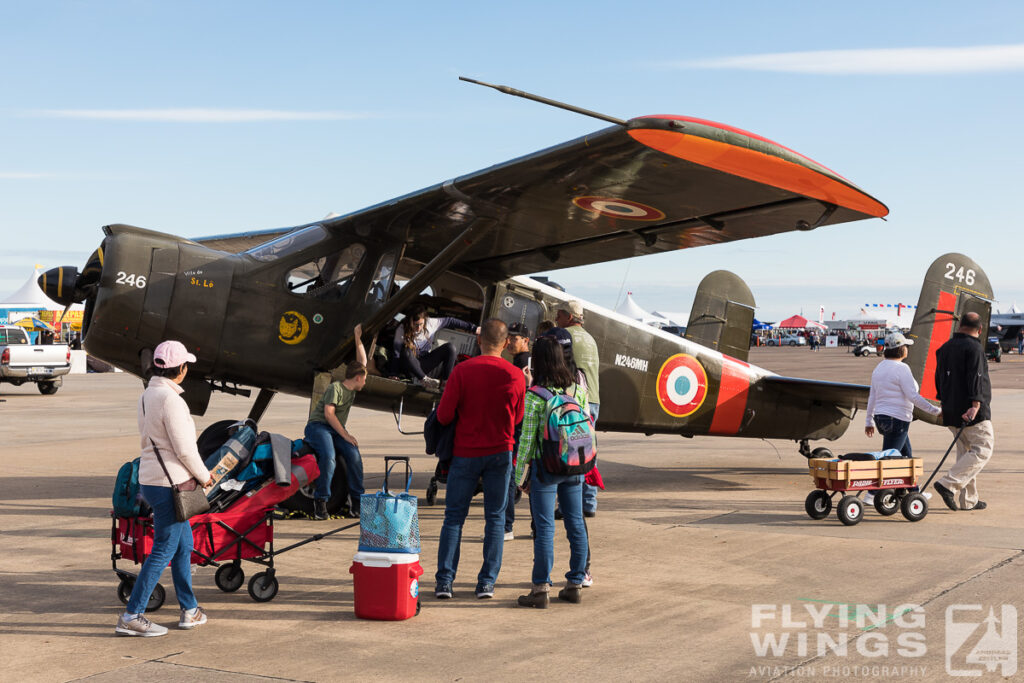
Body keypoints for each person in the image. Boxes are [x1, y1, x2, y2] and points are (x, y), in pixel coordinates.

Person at [115, 340, 213, 637]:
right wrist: (204, 475)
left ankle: (190, 609)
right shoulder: (172, 401)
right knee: (164, 549)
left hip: (151, 479)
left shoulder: (148, 394)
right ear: (181, 369)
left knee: (184, 545)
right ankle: (132, 615)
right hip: (171, 483)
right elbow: (184, 449)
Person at [434, 319, 525, 600]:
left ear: (479, 341)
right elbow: (518, 417)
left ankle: (445, 582)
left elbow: (444, 415)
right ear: (507, 343)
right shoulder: (516, 375)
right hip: (500, 452)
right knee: (495, 519)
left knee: (453, 518)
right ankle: (486, 582)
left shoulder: (462, 371)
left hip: (466, 452)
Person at [514, 335, 590, 608]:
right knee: (576, 523)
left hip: (545, 469)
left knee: (545, 528)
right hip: (574, 464)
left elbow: (526, 441)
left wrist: (519, 478)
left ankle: (540, 589)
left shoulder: (535, 396)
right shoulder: (577, 391)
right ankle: (575, 583)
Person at [864, 332, 942, 503]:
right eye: (906, 346)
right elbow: (913, 396)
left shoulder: (879, 368)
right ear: (900, 349)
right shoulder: (902, 369)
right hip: (897, 419)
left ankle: (913, 491)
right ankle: (871, 494)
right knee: (889, 458)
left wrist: (869, 421)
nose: (907, 349)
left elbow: (872, 396)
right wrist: (935, 411)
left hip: (881, 418)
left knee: (906, 455)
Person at [303, 325, 368, 520]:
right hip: (319, 426)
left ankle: (357, 503)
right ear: (358, 378)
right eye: (364, 379)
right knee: (329, 457)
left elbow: (362, 360)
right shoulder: (336, 388)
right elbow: (329, 415)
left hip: (334, 429)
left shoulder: (353, 387)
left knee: (353, 455)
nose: (365, 382)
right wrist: (346, 435)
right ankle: (321, 502)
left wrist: (358, 337)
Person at [933, 312, 994, 512]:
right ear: (981, 328)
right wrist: (975, 405)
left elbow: (939, 378)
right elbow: (976, 377)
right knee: (983, 448)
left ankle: (969, 500)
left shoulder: (944, 348)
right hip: (971, 411)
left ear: (959, 325)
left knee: (965, 453)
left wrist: (943, 403)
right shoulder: (974, 348)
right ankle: (948, 484)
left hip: (951, 409)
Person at [556, 301, 600, 516]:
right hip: (593, 400)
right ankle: (589, 503)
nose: (556, 319)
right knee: (588, 451)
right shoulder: (590, 338)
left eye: (559, 315)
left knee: (572, 452)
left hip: (575, 401)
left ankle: (567, 506)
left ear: (567, 316)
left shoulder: (565, 336)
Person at [393, 304, 478, 390]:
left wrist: (474, 328)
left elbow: (450, 321)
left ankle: (446, 383)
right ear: (410, 323)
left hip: (422, 364)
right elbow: (396, 355)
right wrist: (394, 374)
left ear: (425, 320)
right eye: (415, 325)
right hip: (409, 367)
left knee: (450, 348)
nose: (418, 328)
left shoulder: (431, 323)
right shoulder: (401, 329)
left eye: (421, 324)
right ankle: (424, 380)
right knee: (406, 351)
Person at [503, 322, 532, 540]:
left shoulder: (522, 365)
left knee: (509, 475)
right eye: (509, 337)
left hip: (518, 428)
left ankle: (506, 526)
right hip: (521, 427)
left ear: (526, 341)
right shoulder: (523, 362)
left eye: (515, 338)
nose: (511, 341)